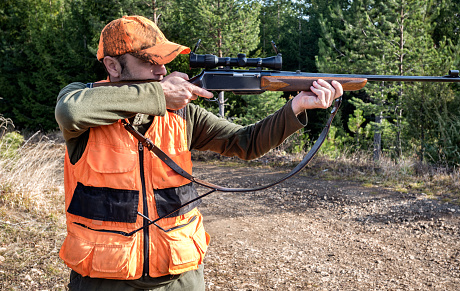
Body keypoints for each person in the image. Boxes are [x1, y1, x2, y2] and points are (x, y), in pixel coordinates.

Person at [55, 15, 343, 291]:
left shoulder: (182, 113)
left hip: (179, 276)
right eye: (149, 61)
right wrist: (158, 96)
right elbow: (70, 111)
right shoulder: (82, 98)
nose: (161, 71)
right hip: (103, 278)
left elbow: (246, 142)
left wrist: (297, 107)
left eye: (164, 61)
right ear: (113, 66)